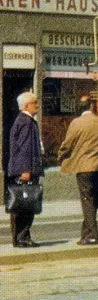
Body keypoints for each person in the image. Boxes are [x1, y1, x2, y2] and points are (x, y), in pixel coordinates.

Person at [57, 96, 98, 245]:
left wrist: (60, 155)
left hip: (84, 168)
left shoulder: (76, 123)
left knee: (87, 200)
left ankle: (92, 235)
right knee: (93, 201)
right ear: (91, 107)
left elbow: (67, 144)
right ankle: (86, 234)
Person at [6, 92, 43, 247]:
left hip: (23, 168)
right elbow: (24, 148)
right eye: (35, 103)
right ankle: (22, 237)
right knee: (26, 205)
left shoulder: (23, 121)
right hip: (26, 170)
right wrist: (26, 170)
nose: (38, 105)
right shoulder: (26, 122)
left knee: (22, 205)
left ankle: (20, 238)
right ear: (27, 106)